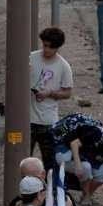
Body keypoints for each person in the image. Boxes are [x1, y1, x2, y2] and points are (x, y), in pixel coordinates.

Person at [29, 27, 74, 170]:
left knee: (49, 162)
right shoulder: (31, 58)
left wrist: (50, 93)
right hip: (28, 119)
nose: (46, 49)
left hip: (48, 122)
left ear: (57, 47)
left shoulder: (63, 66)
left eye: (50, 47)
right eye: (44, 45)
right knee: (24, 159)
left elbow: (67, 93)